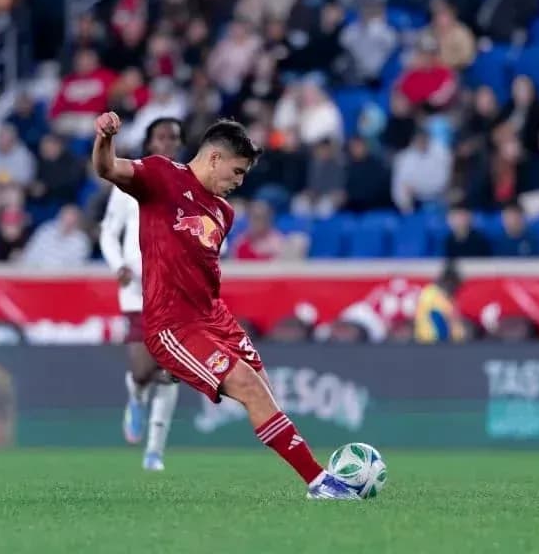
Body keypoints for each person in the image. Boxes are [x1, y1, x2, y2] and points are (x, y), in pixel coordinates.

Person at [92, 114, 358, 500]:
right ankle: (320, 483)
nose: (240, 182)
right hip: (174, 325)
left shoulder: (224, 213)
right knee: (248, 386)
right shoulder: (161, 175)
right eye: (237, 172)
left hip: (214, 316)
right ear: (215, 158)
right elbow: (107, 168)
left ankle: (316, 475)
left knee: (265, 392)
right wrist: (105, 138)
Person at [98, 117, 184, 471]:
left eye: (174, 138)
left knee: (171, 369)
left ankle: (154, 451)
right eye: (162, 137)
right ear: (150, 142)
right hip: (136, 288)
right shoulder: (129, 179)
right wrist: (117, 264)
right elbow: (108, 231)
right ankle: (135, 394)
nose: (168, 143)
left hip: (174, 289)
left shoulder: (189, 182)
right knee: (143, 369)